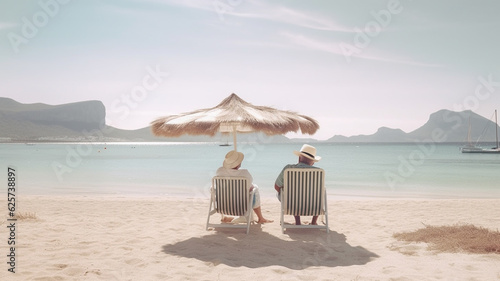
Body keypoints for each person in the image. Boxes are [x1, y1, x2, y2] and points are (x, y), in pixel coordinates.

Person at [216, 150, 273, 224]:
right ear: (238, 163)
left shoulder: (220, 171)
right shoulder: (244, 173)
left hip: (223, 205)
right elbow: (249, 188)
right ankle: (260, 218)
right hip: (241, 207)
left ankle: (236, 218)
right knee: (255, 189)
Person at [274, 144, 321, 226]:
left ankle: (298, 221)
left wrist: (287, 191)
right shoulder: (319, 172)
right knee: (319, 194)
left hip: (292, 204)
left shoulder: (288, 168)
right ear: (313, 162)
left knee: (292, 194)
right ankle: (314, 222)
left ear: (299, 158)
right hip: (313, 205)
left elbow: (276, 186)